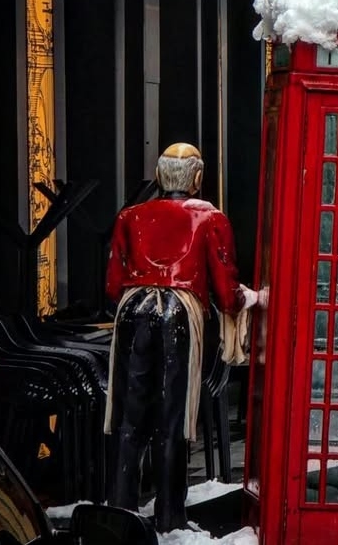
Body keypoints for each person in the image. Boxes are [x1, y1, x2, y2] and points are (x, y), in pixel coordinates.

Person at [104, 143, 257, 532]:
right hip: (179, 317)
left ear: (159, 176)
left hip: (133, 314)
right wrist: (253, 298)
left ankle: (120, 510)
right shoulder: (210, 217)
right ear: (198, 178)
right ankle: (170, 515)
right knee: (174, 416)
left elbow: (113, 284)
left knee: (129, 415)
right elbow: (226, 290)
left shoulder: (130, 216)